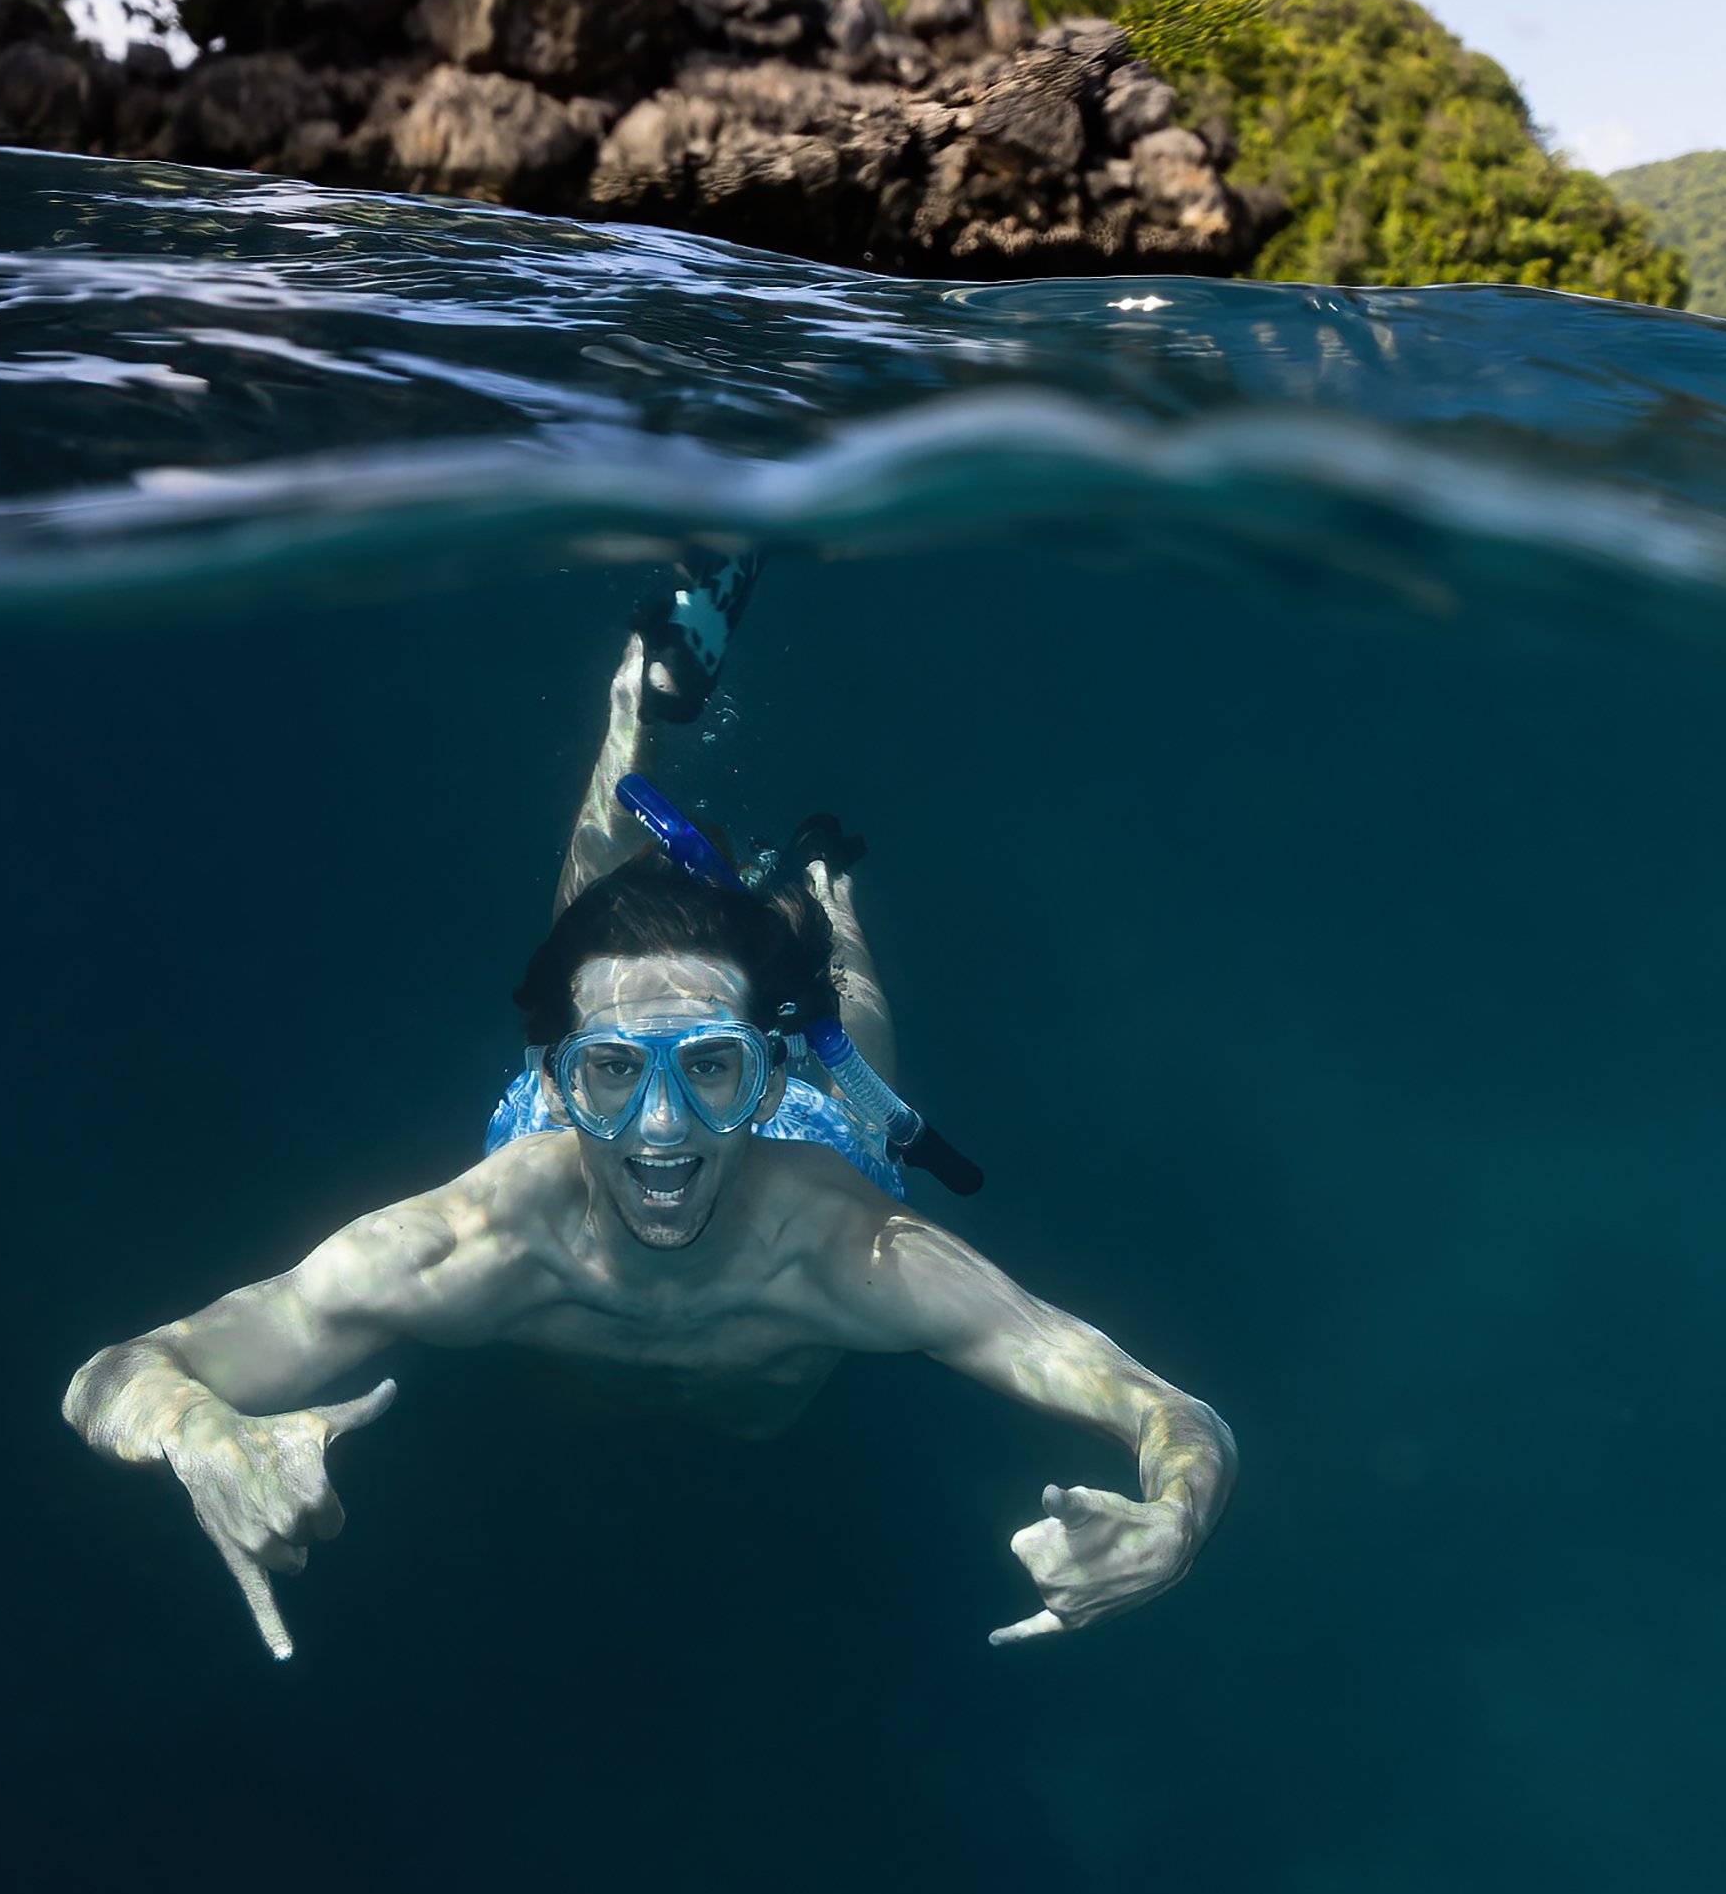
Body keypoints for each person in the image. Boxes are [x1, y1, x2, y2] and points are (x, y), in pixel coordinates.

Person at [60, 564, 1238, 1662]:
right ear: (556, 1076)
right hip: (640, 1391)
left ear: (768, 1076)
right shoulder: (467, 1242)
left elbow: (1170, 1413)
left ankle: (823, 885)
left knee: (851, 1008)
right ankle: (635, 696)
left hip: (776, 1260)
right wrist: (199, 1436)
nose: (662, 1132)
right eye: (611, 1072)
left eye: (716, 1069)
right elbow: (121, 1371)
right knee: (604, 929)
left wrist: (1172, 1521)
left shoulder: (859, 1252)